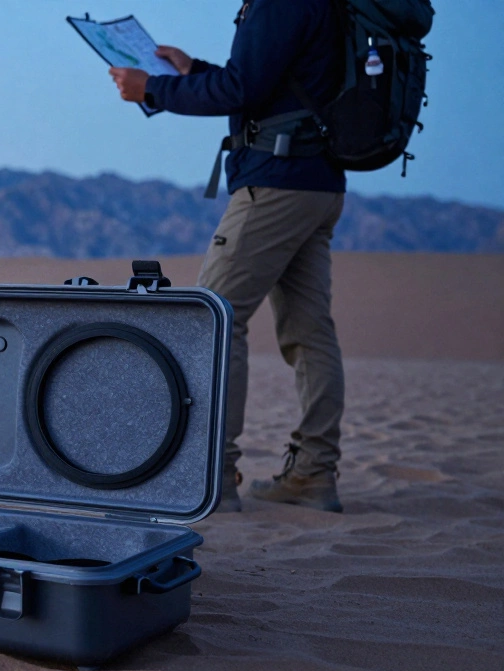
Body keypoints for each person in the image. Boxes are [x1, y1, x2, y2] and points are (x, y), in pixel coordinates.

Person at [108, 0, 346, 513]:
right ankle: (314, 474)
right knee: (310, 331)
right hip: (317, 182)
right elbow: (271, 83)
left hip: (277, 181)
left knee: (213, 317)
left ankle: (211, 478)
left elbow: (242, 90)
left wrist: (153, 88)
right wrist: (194, 70)